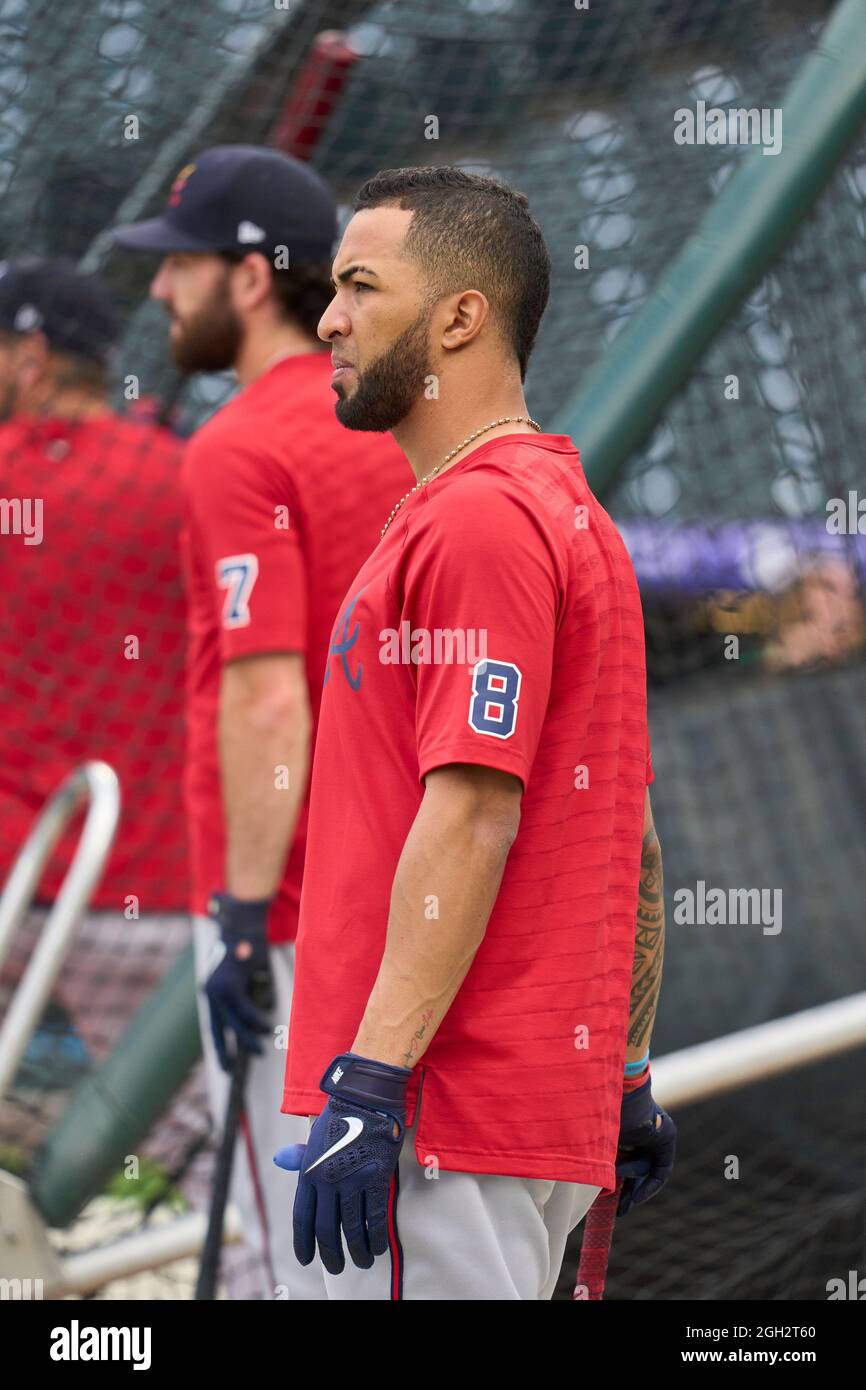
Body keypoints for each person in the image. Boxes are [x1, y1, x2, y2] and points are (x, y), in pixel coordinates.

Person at [275, 166, 675, 1300]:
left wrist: (368, 1084)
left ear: (460, 316)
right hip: (502, 1119)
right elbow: (630, 838)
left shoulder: (480, 517)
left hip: (429, 1114)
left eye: (359, 286)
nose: (329, 318)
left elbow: (471, 812)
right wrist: (628, 1073)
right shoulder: (560, 510)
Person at [111, 145, 411, 1298]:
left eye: (177, 265)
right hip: (413, 888)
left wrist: (241, 919)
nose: (156, 291)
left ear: (245, 278)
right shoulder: (395, 418)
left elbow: (267, 693)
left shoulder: (238, 443)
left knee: (305, 1256)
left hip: (291, 914)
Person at [0, 257, 189, 1060]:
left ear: (33, 360)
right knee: (190, 1154)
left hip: (13, 876)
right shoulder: (184, 474)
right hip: (152, 894)